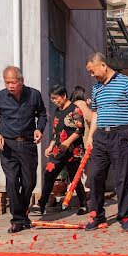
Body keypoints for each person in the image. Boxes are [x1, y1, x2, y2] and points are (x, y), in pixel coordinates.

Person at [84, 52, 128, 232]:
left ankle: (125, 216)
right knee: (94, 176)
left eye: (92, 71)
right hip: (101, 136)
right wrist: (90, 136)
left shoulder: (126, 82)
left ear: (103, 65)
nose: (92, 75)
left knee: (122, 177)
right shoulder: (96, 88)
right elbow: (95, 113)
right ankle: (97, 215)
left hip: (121, 134)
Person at [0, 66, 47, 233]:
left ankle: (23, 212)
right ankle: (17, 219)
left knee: (29, 183)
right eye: (7, 83)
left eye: (13, 82)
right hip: (8, 146)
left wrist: (39, 129)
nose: (11, 86)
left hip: (28, 144)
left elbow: (42, 114)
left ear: (21, 81)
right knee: (12, 181)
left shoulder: (34, 95)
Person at [39, 84, 88, 215]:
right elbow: (56, 133)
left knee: (74, 177)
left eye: (56, 98)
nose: (54, 101)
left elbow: (80, 129)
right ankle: (42, 203)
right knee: (49, 173)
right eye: (52, 99)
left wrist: (68, 142)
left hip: (73, 149)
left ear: (64, 96)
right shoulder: (57, 111)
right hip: (59, 149)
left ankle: (83, 204)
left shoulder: (75, 110)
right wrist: (50, 146)